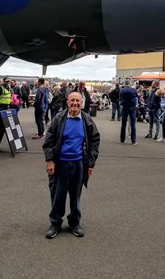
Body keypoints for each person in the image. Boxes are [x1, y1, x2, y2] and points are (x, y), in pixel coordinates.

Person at [42, 92, 100, 239]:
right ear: (67, 102)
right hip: (60, 164)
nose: (75, 103)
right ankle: (55, 223)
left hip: (79, 164)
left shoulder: (87, 120)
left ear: (82, 103)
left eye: (77, 101)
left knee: (76, 196)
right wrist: (50, 161)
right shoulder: (59, 118)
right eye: (72, 100)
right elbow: (48, 141)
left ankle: (74, 223)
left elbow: (94, 141)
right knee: (57, 196)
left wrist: (91, 164)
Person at [119, 80, 139, 145]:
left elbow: (120, 97)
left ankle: (122, 140)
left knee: (123, 124)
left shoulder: (122, 90)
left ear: (125, 84)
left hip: (125, 107)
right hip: (132, 108)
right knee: (133, 124)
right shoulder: (133, 90)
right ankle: (133, 141)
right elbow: (136, 96)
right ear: (130, 84)